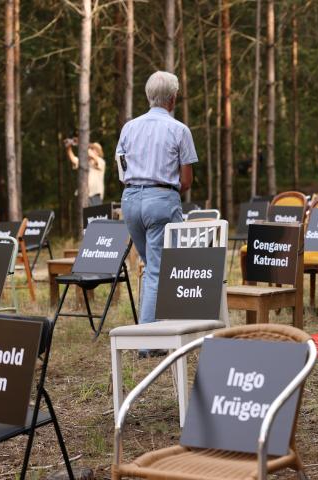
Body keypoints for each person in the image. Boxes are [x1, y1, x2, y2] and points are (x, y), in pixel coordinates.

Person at [116, 71, 197, 358]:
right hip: (161, 199)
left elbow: (121, 168)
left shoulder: (129, 128)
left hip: (130, 199)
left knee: (152, 266)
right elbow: (186, 180)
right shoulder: (179, 130)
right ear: (173, 99)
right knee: (156, 270)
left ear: (148, 96)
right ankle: (148, 341)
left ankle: (157, 329)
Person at [65, 138, 106, 205]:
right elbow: (73, 159)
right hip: (82, 195)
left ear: (98, 153)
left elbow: (91, 155)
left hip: (95, 195)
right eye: (91, 149)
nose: (91, 150)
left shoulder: (101, 162)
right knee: (83, 215)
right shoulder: (84, 162)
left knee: (96, 214)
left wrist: (81, 142)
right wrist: (68, 147)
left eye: (93, 149)